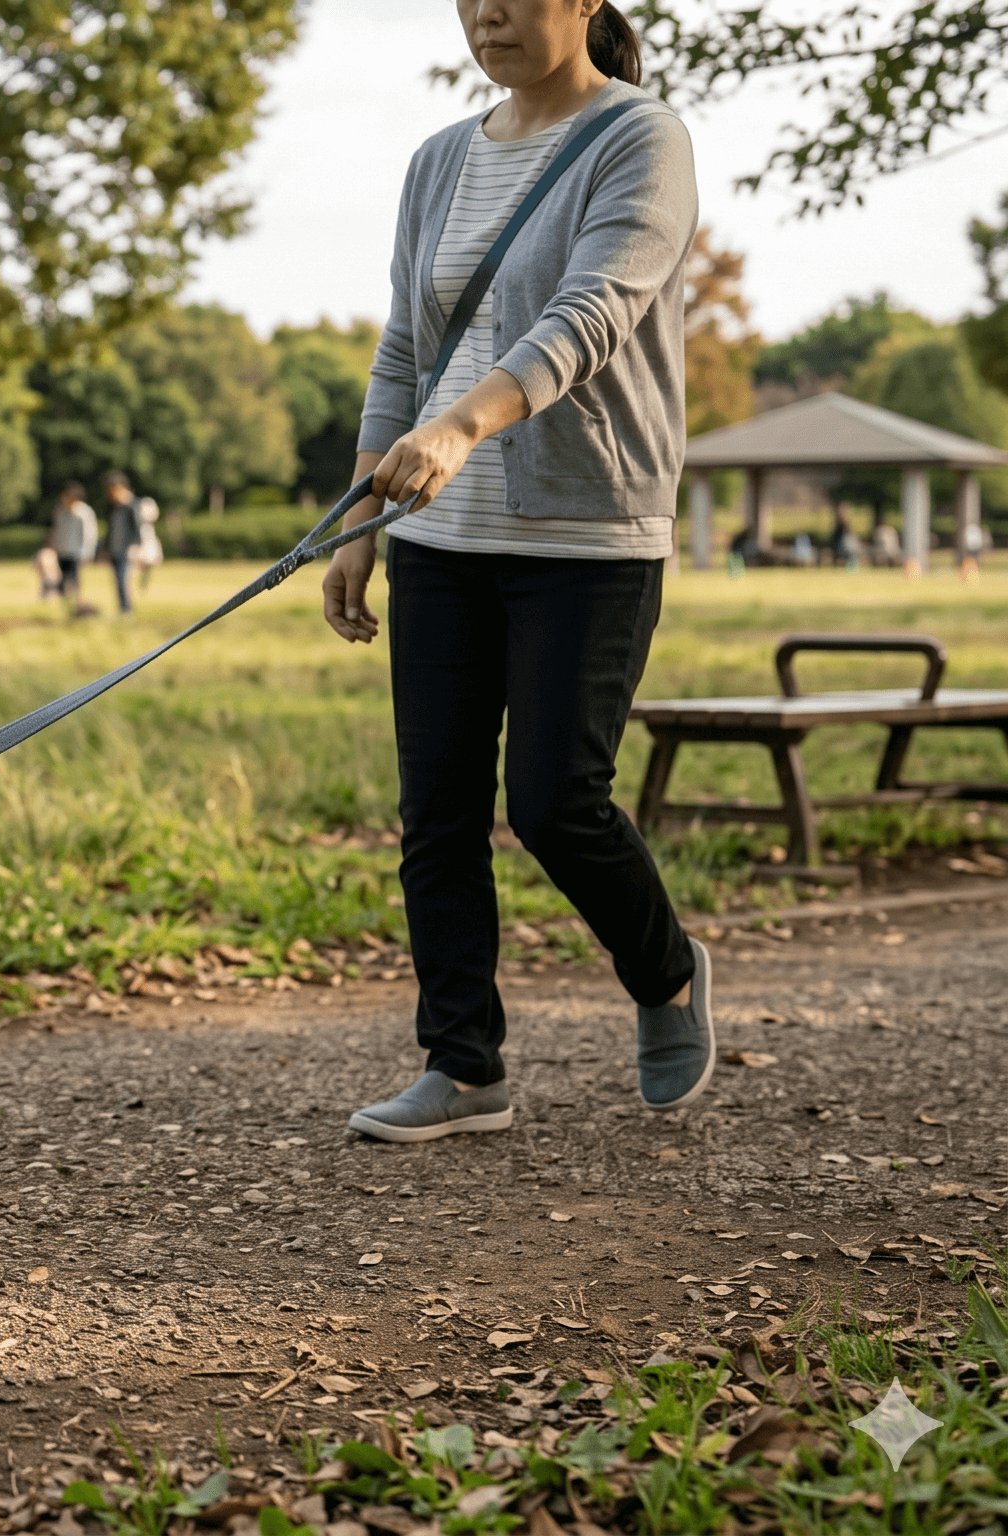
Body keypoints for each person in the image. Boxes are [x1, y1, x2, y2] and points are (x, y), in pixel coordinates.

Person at [317, 0, 709, 1142]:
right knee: (435, 810)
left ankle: (666, 968)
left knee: (551, 800)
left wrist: (462, 429)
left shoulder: (643, 139)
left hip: (584, 537)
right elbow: (405, 344)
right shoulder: (439, 159)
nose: (486, 11)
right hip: (441, 537)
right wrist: (360, 520)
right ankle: (463, 1064)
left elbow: (591, 315)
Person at [47, 482, 95, 617]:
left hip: (77, 553)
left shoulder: (84, 512)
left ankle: (77, 607)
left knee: (74, 580)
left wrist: (88, 553)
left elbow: (89, 534)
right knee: (62, 581)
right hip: (62, 551)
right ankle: (67, 607)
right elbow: (56, 531)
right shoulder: (60, 511)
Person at [99, 472, 139, 616]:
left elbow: (137, 530)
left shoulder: (131, 507)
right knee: (117, 581)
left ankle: (127, 609)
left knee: (123, 580)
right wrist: (105, 549)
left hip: (126, 550)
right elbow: (109, 532)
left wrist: (135, 547)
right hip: (114, 551)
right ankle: (123, 609)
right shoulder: (112, 509)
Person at [133, 495, 164, 592]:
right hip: (141, 537)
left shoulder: (149, 528)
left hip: (147, 538)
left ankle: (143, 584)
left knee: (148, 562)